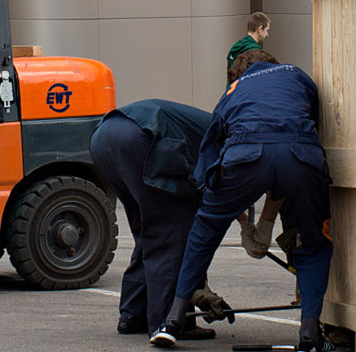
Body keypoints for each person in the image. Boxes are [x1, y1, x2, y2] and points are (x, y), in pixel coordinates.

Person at [150, 50, 334, 352]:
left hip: (246, 156)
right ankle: (310, 333)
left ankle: (172, 321)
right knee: (313, 242)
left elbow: (213, 140)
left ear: (238, 73)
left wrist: (211, 190)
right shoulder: (296, 74)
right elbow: (313, 120)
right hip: (300, 157)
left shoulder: (234, 89)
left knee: (205, 231)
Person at [88, 99, 231, 341]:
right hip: (140, 138)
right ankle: (169, 323)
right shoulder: (235, 139)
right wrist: (199, 288)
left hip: (104, 135)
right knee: (172, 233)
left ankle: (133, 314)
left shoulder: (218, 126)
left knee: (149, 231)